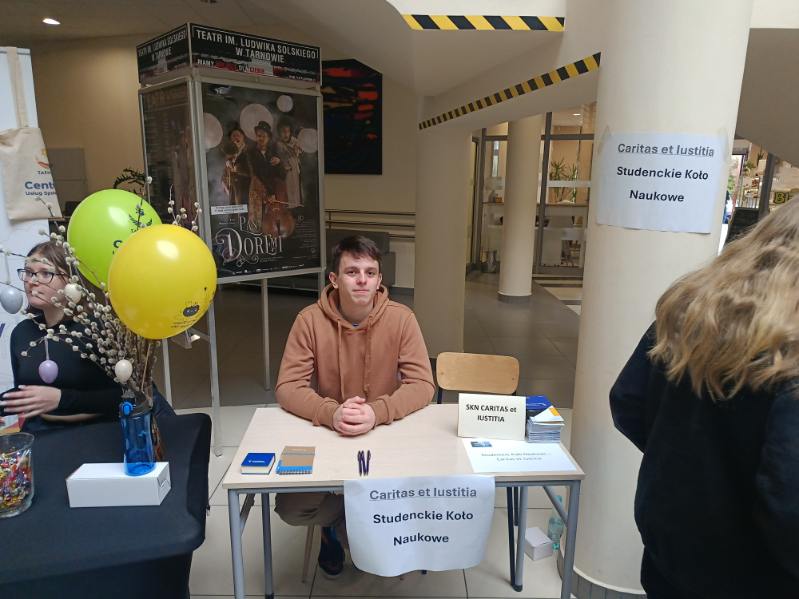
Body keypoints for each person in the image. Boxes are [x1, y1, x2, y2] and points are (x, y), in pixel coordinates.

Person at [610, 199, 799, 598]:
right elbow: (788, 504)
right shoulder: (790, 353)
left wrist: (687, 464)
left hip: (669, 551)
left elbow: (627, 401)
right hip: (753, 577)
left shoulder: (692, 306)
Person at [274, 235, 435, 577]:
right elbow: (287, 387)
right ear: (334, 279)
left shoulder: (402, 319)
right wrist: (330, 413)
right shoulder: (309, 320)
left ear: (379, 280)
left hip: (383, 435)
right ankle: (342, 520)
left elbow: (423, 384)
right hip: (329, 433)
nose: (362, 280)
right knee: (289, 507)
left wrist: (377, 412)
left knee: (379, 541)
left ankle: (352, 521)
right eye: (352, 272)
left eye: (370, 273)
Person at [0, 241, 122, 431]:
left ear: (70, 281)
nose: (32, 281)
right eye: (29, 272)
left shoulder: (97, 330)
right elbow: (24, 394)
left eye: (45, 273)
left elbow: (124, 396)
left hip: (96, 432)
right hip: (40, 433)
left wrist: (62, 399)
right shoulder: (21, 332)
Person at [246, 121, 286, 231]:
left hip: (273, 192)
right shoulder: (251, 153)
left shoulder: (273, 152)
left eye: (264, 136)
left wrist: (279, 163)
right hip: (258, 190)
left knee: (271, 220)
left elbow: (282, 176)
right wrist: (269, 193)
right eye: (259, 136)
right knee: (258, 220)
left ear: (268, 138)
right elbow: (257, 173)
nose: (261, 138)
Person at [274, 118, 302, 210]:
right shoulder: (279, 144)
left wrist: (297, 150)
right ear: (279, 132)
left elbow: (298, 154)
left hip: (294, 167)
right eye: (283, 132)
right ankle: (289, 205)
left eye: (287, 131)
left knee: (296, 187)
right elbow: (282, 157)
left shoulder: (294, 141)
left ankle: (296, 205)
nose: (286, 134)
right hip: (285, 169)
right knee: (288, 187)